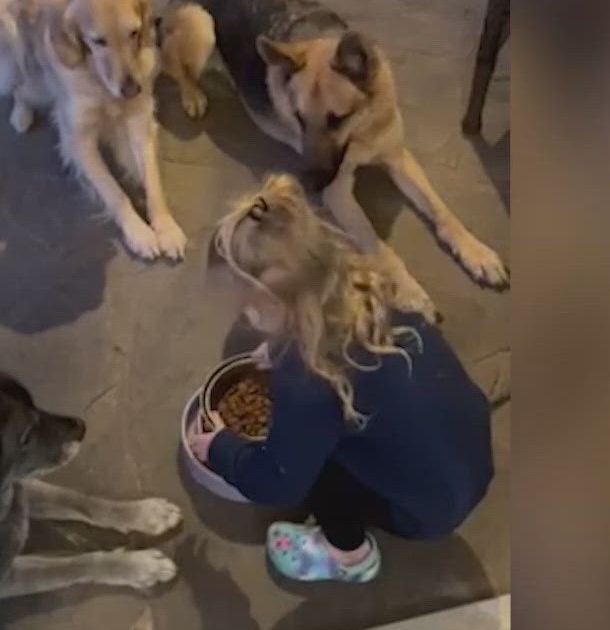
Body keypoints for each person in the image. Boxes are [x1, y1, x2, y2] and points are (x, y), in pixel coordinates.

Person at [186, 174, 494, 583]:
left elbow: (276, 484)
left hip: (423, 513)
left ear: (259, 310)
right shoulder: (377, 298)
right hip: (469, 467)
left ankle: (349, 556)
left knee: (318, 464)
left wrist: (220, 447)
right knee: (342, 430)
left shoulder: (307, 383)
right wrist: (278, 355)